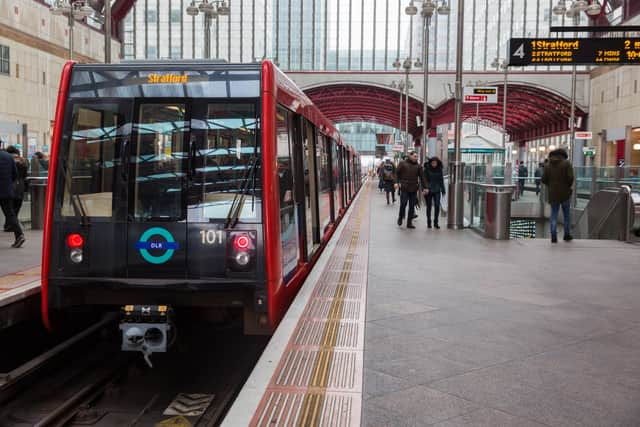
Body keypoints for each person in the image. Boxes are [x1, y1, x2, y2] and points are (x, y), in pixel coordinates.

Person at [541, 148, 574, 243]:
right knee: (566, 215)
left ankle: (553, 236)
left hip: (552, 193)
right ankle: (566, 235)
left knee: (554, 214)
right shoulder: (567, 163)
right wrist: (567, 185)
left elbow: (543, 179)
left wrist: (550, 185)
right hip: (565, 193)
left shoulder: (548, 165)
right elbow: (570, 177)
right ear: (563, 155)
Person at [0, 149, 26, 247]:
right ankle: (19, 235)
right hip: (6, 190)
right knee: (10, 214)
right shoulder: (8, 157)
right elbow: (15, 174)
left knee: (10, 214)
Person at [396, 151, 428, 229]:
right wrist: (396, 182)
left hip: (413, 188)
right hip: (404, 187)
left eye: (416, 156)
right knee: (403, 204)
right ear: (410, 156)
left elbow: (422, 177)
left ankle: (409, 222)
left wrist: (425, 187)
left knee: (411, 206)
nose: (415, 158)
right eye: (414, 156)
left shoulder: (418, 166)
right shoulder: (402, 163)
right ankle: (400, 217)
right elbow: (397, 173)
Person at [4, 146, 27, 231]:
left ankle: (8, 225)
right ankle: (12, 225)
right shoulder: (23, 161)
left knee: (9, 208)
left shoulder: (7, 160)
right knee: (17, 206)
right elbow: (25, 175)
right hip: (20, 185)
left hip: (9, 185)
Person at [424, 156, 445, 229]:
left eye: (435, 162)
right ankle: (429, 221)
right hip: (428, 190)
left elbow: (441, 180)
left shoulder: (439, 169)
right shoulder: (427, 169)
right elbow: (424, 179)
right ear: (430, 163)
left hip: (437, 189)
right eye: (433, 162)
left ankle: (436, 221)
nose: (434, 164)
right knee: (429, 206)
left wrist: (443, 189)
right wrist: (425, 188)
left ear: (437, 163)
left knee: (437, 205)